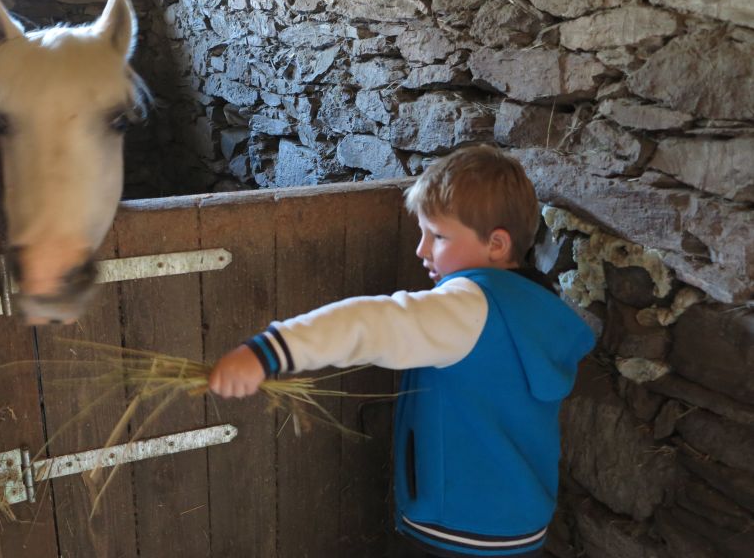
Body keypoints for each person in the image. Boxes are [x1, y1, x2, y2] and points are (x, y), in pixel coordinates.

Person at [208, 144, 596, 558]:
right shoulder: (537, 302)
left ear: (496, 244)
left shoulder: (466, 308)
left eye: (438, 236)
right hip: (519, 526)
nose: (421, 249)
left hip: (452, 527)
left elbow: (370, 324)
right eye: (423, 232)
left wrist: (268, 351)